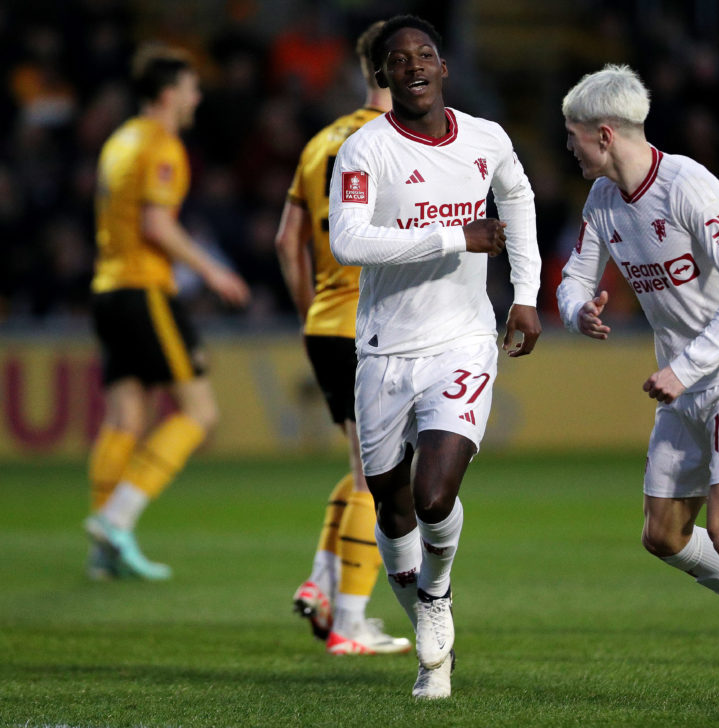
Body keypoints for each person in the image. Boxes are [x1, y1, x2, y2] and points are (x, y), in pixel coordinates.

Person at [557, 64, 719, 709]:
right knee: (663, 536)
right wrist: (576, 309)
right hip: (685, 386)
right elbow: (574, 277)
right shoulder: (601, 201)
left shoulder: (688, 185)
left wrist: (687, 366)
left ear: (603, 133)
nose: (566, 146)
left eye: (571, 134)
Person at [328, 15, 542, 700]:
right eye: (399, 58)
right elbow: (348, 242)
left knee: (433, 493)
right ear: (385, 77)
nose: (414, 64)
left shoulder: (486, 138)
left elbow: (518, 196)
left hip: (463, 341)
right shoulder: (364, 151)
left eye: (425, 54)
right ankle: (425, 617)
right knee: (390, 505)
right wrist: (456, 238)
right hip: (386, 349)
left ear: (444, 68)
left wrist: (526, 294)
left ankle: (437, 597)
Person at [85, 44, 250, 580]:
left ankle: (104, 551)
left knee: (124, 419)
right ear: (166, 94)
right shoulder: (161, 145)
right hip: (142, 289)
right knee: (200, 413)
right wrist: (213, 271)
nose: (196, 97)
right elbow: (157, 225)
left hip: (106, 288)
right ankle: (117, 517)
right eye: (189, 87)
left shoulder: (119, 141)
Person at [274, 20, 410, 657]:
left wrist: (312, 311)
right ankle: (349, 623)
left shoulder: (319, 141)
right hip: (374, 323)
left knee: (359, 467)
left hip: (326, 321)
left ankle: (324, 582)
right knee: (378, 479)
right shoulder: (397, 141)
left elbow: (285, 243)